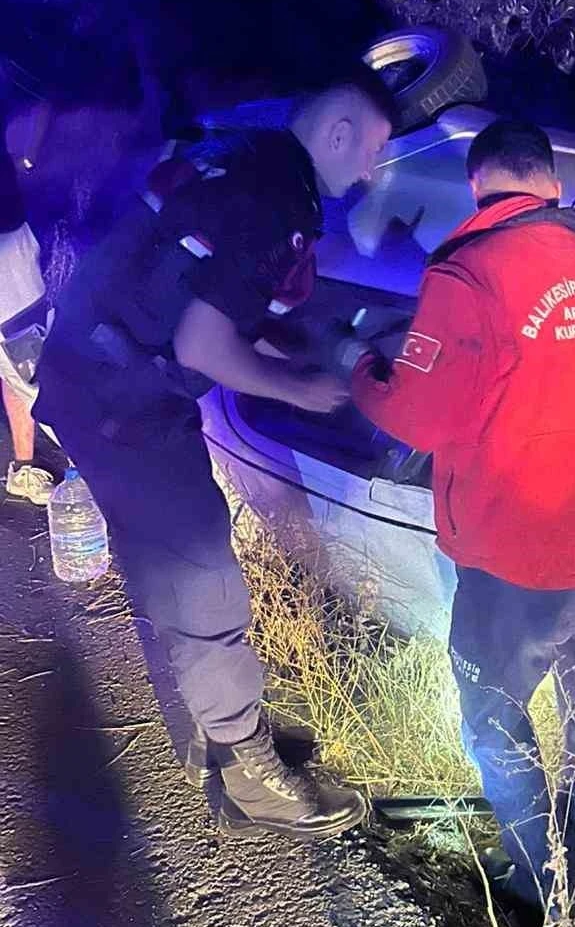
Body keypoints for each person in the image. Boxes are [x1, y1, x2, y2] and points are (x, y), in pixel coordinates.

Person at [34, 71, 396, 841]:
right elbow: (205, 344)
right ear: (337, 132)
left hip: (91, 374)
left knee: (172, 558)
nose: (370, 170)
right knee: (204, 576)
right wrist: (300, 389)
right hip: (124, 402)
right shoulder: (277, 201)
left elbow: (206, 297)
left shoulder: (241, 154)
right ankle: (248, 775)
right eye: (372, 149)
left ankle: (219, 725)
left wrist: (300, 349)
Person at [352, 119, 575, 920]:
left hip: (519, 546)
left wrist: (363, 372)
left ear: (476, 184)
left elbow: (418, 417)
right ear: (552, 186)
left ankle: (542, 879)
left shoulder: (468, 273)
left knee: (493, 715)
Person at [0, 101, 54, 504]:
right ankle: (95, 465)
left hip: (13, 233)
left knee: (16, 359)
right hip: (6, 251)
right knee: (26, 359)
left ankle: (23, 467)